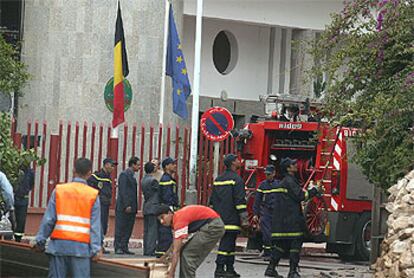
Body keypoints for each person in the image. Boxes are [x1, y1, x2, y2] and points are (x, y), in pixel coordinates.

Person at [32, 158, 101, 278]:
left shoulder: (59, 190)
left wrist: (40, 241)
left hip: (59, 246)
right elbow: (94, 226)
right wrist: (95, 249)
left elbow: (49, 219)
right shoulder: (92, 195)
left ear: (73, 170)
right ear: (89, 173)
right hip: (81, 249)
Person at [265, 158, 320, 278]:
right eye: (293, 164)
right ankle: (292, 271)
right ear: (288, 168)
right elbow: (301, 196)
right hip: (291, 221)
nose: (296, 165)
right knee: (295, 245)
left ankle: (271, 268)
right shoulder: (290, 181)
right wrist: (314, 190)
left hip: (280, 222)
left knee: (281, 245)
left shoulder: (283, 182)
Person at [156, 204, 225, 278]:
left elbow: (176, 251)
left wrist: (171, 273)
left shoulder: (179, 219)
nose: (161, 221)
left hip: (213, 227)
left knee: (188, 255)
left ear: (170, 213)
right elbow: (176, 244)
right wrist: (164, 257)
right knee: (185, 252)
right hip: (211, 224)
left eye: (162, 217)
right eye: (159, 219)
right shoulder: (176, 219)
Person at [210, 154, 248, 278]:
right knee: (226, 244)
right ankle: (220, 268)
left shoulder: (218, 179)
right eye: (237, 160)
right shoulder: (236, 180)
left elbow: (212, 200)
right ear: (232, 163)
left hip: (219, 217)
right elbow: (240, 201)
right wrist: (244, 219)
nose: (239, 161)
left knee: (230, 244)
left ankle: (230, 268)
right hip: (232, 218)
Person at [87, 158, 117, 253]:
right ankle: (97, 245)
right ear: (106, 165)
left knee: (103, 225)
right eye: (112, 165)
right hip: (98, 205)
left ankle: (100, 244)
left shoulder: (108, 177)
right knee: (98, 224)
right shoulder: (96, 176)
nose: (113, 168)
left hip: (105, 205)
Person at [252, 165, 280, 259]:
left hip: (276, 212)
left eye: (269, 174)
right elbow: (257, 201)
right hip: (266, 211)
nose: (267, 176)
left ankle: (271, 251)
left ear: (274, 174)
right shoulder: (262, 185)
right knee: (266, 233)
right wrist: (255, 214)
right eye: (266, 174)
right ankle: (267, 252)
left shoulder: (279, 185)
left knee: (274, 233)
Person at [114, 156, 140, 255]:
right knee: (121, 227)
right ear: (132, 164)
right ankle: (118, 246)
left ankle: (124, 246)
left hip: (131, 207)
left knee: (128, 227)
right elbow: (123, 191)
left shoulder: (132, 175)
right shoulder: (124, 175)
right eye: (137, 165)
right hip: (124, 207)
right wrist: (127, 204)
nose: (139, 167)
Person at [155, 157, 179, 257]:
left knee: (166, 234)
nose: (175, 166)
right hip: (166, 210)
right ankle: (162, 255)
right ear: (166, 166)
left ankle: (162, 254)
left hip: (168, 209)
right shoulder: (166, 179)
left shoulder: (169, 179)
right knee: (165, 235)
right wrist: (171, 208)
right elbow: (167, 196)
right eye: (172, 164)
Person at [142, 161, 161, 256]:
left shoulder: (144, 179)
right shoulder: (153, 180)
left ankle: (146, 249)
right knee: (152, 230)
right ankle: (150, 250)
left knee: (146, 230)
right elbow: (159, 191)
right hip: (153, 206)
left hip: (146, 206)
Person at [13, 163, 35, 242]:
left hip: (23, 199)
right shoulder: (15, 170)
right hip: (13, 198)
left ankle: (18, 239)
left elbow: (31, 185)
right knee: (11, 218)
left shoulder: (30, 172)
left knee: (21, 221)